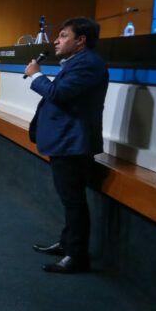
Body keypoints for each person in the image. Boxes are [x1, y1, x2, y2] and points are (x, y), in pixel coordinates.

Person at [26, 17, 108, 274]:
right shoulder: (77, 62)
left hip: (73, 144)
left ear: (80, 41)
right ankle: (67, 243)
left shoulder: (88, 64)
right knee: (69, 200)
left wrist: (37, 75)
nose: (56, 41)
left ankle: (76, 256)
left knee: (74, 202)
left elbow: (58, 94)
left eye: (62, 35)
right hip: (66, 142)